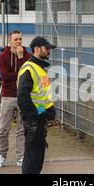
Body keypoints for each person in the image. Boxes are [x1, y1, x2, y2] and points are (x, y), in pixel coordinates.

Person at [17, 36, 56, 174]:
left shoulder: (39, 68)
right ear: (37, 49)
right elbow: (22, 98)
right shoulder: (29, 69)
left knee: (36, 160)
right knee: (32, 161)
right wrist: (36, 113)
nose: (49, 51)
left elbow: (42, 95)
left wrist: (48, 111)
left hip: (38, 121)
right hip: (33, 122)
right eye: (47, 48)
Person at [0, 30, 31, 168]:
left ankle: (20, 157)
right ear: (10, 41)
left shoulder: (27, 55)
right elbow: (4, 76)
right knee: (3, 127)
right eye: (16, 39)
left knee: (21, 129)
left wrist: (21, 58)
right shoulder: (3, 56)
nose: (19, 42)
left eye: (20, 39)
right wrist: (18, 76)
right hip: (8, 95)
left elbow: (26, 75)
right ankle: (2, 155)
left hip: (22, 96)